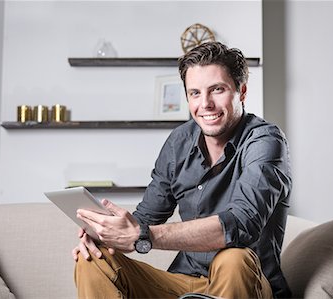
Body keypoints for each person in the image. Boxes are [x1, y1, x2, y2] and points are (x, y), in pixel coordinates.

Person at [72, 41, 292, 299]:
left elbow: (242, 224)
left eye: (217, 90)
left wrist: (142, 235)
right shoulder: (179, 142)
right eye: (195, 93)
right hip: (184, 282)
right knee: (93, 260)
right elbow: (146, 218)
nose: (205, 104)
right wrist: (107, 236)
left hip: (247, 282)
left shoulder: (266, 141)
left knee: (234, 258)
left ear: (241, 92)